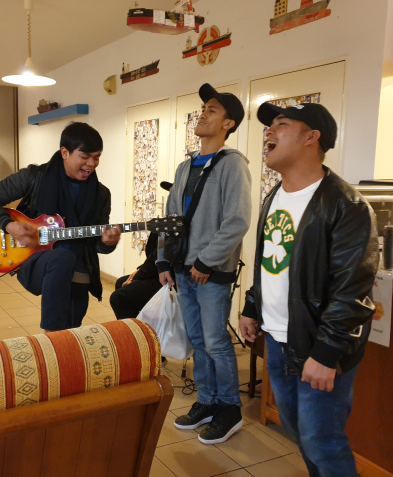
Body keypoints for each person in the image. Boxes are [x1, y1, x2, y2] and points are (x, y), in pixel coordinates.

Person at [239, 102, 378, 477]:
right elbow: (271, 262)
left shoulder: (346, 205)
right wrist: (254, 306)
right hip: (279, 342)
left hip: (317, 346)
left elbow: (353, 290)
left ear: (311, 138)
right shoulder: (275, 196)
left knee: (323, 442)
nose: (268, 131)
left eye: (280, 124)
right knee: (301, 434)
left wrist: (327, 352)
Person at [158, 83, 252, 444]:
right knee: (197, 339)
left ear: (228, 124)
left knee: (215, 341)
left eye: (212, 110)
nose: (203, 113)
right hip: (183, 269)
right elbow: (170, 219)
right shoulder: (185, 168)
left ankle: (230, 408)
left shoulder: (232, 166)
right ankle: (207, 400)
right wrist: (164, 259)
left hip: (210, 272)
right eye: (203, 108)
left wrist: (205, 261)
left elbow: (237, 220)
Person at [0, 122, 121, 331]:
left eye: (96, 157)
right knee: (63, 258)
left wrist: (108, 243)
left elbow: (96, 244)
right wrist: (8, 225)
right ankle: (50, 335)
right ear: (65, 152)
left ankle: (60, 354)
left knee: (72, 326)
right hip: (32, 260)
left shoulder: (101, 194)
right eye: (84, 156)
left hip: (79, 266)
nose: (91, 163)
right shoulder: (35, 177)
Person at [110, 182, 173, 320]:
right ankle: (139, 329)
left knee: (118, 298)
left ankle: (137, 334)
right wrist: (137, 272)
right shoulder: (161, 223)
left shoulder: (178, 225)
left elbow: (158, 257)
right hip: (157, 273)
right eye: (170, 193)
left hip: (172, 279)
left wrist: (137, 277)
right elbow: (152, 256)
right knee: (121, 282)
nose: (171, 198)